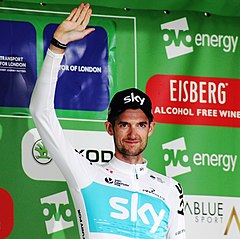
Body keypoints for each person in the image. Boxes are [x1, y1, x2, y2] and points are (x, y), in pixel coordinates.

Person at [30, 3, 186, 239]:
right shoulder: (86, 174)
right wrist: (57, 46)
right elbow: (41, 112)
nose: (133, 133)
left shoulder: (170, 189)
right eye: (124, 124)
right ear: (109, 128)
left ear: (151, 128)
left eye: (141, 124)